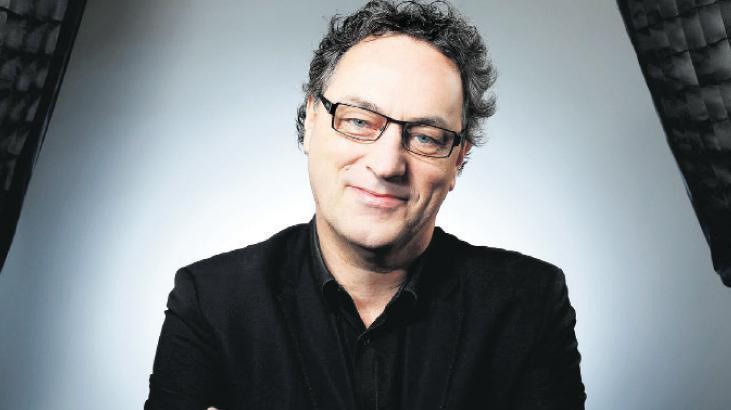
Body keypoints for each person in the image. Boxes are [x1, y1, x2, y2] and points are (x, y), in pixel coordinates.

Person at [145, 1, 586, 409]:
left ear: (458, 160)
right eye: (358, 120)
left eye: (426, 137)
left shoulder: (528, 303)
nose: (387, 163)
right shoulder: (211, 301)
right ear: (311, 122)